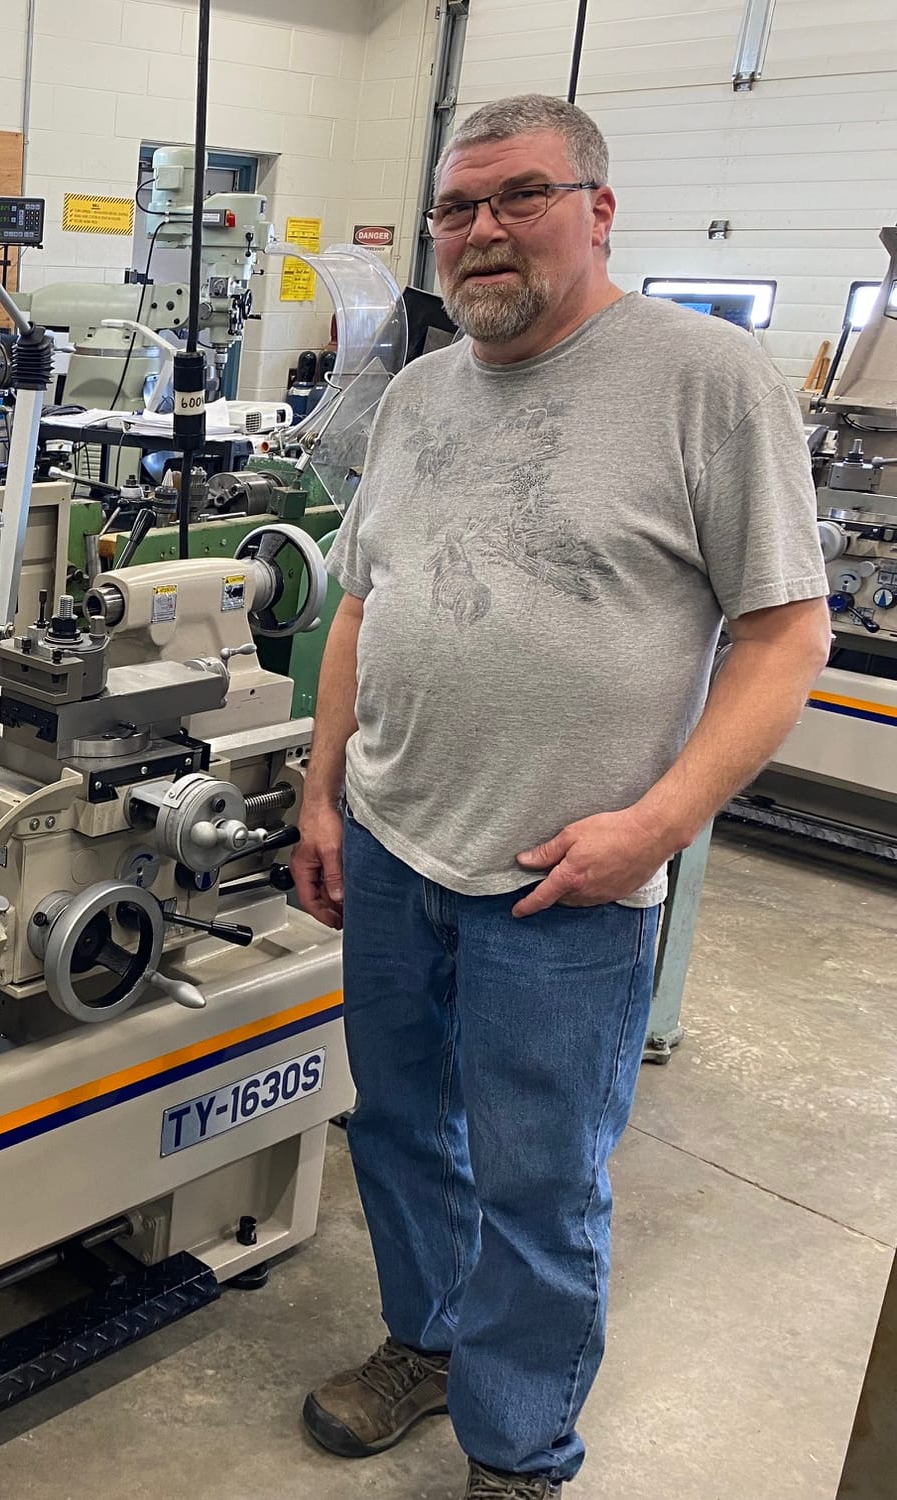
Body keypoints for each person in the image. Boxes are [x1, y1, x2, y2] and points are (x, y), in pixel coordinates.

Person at [289, 94, 831, 1498]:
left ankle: (519, 1451)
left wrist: (655, 827)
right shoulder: (415, 396)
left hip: (567, 879)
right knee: (401, 1129)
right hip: (399, 847)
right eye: (458, 208)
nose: (481, 232)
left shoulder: (708, 378)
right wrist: (324, 791)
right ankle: (427, 1341)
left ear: (598, 208)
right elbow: (361, 604)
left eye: (519, 197)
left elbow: (786, 636)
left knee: (540, 1186)